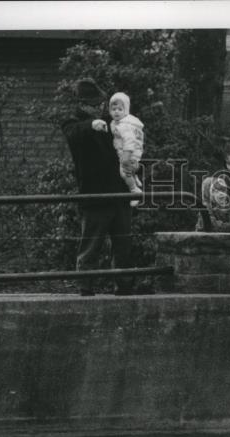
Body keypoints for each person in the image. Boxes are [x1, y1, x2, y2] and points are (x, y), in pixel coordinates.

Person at [60, 78, 137, 296]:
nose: (100, 108)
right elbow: (74, 133)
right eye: (95, 105)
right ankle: (85, 286)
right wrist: (91, 125)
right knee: (91, 244)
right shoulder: (73, 123)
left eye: (101, 104)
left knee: (123, 244)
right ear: (83, 105)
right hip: (94, 195)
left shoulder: (112, 121)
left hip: (118, 192)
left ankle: (124, 285)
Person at [105, 92, 145, 202]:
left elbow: (129, 139)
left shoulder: (124, 125)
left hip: (129, 153)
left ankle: (135, 191)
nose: (116, 112)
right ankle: (134, 178)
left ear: (126, 110)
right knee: (129, 170)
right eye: (113, 109)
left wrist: (126, 155)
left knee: (123, 173)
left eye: (120, 109)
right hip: (129, 152)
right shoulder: (117, 122)